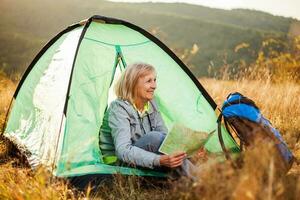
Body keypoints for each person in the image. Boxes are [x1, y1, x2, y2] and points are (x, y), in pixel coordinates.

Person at [99, 63, 194, 176]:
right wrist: (158, 160)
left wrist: (189, 151)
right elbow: (122, 150)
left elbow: (165, 139)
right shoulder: (119, 109)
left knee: (167, 140)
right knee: (154, 137)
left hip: (143, 159)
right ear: (133, 84)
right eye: (149, 81)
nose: (154, 86)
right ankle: (203, 180)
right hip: (119, 165)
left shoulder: (151, 104)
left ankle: (199, 177)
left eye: (154, 80)